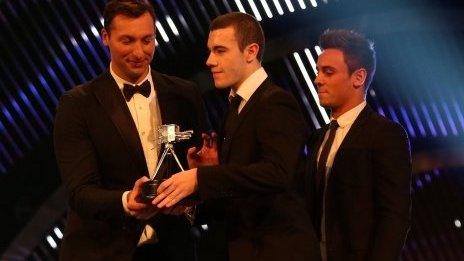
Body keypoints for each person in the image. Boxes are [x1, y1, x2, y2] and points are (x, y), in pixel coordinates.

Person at [151, 12, 320, 261]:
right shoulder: (235, 107)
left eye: (220, 51)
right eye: (210, 51)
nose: (209, 60)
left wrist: (201, 177)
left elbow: (277, 173)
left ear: (251, 52)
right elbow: (239, 191)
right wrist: (198, 191)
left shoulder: (275, 102)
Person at [53, 0, 209, 260]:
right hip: (103, 251)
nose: (139, 52)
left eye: (147, 40)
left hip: (172, 249)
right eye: (127, 41)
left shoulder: (185, 94)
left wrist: (199, 183)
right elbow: (80, 192)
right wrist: (126, 201)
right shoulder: (77, 104)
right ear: (106, 37)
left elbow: (195, 171)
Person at [298, 29, 411, 261]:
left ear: (358, 77)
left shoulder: (386, 135)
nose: (318, 79)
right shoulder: (317, 139)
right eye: (318, 71)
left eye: (328, 72)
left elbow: (394, 216)